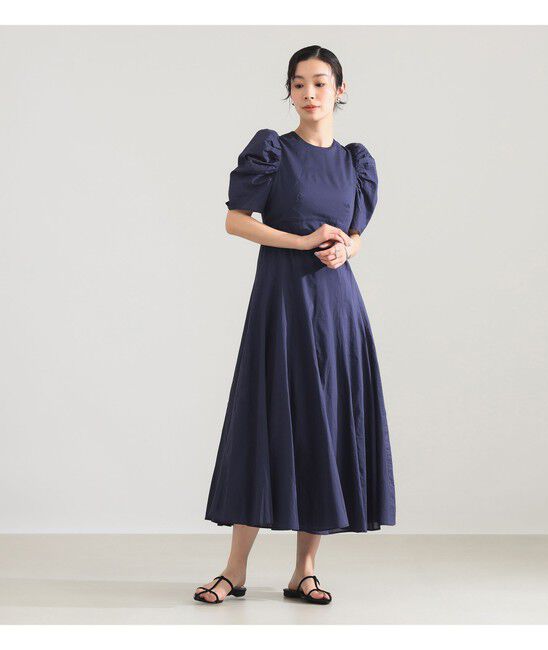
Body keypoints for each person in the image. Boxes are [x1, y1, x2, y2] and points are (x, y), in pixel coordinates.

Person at [194, 45, 396, 606]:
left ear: (339, 90)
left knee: (323, 423)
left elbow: (355, 234)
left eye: (321, 82)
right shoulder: (272, 150)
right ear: (289, 91)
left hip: (337, 308)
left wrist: (346, 248)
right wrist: (304, 241)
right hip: (282, 303)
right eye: (300, 83)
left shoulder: (355, 161)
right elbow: (236, 221)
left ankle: (304, 570)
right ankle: (234, 569)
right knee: (266, 420)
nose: (310, 93)